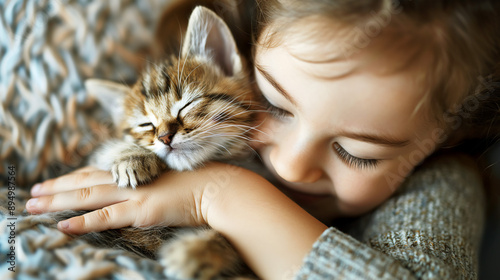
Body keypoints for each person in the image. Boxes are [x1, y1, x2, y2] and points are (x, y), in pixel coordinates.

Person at [26, 0, 499, 279]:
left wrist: (223, 195)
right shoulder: (210, 109)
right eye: (273, 105)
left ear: (440, 143)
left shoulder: (441, 185)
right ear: (244, 60)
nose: (292, 166)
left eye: (356, 152)